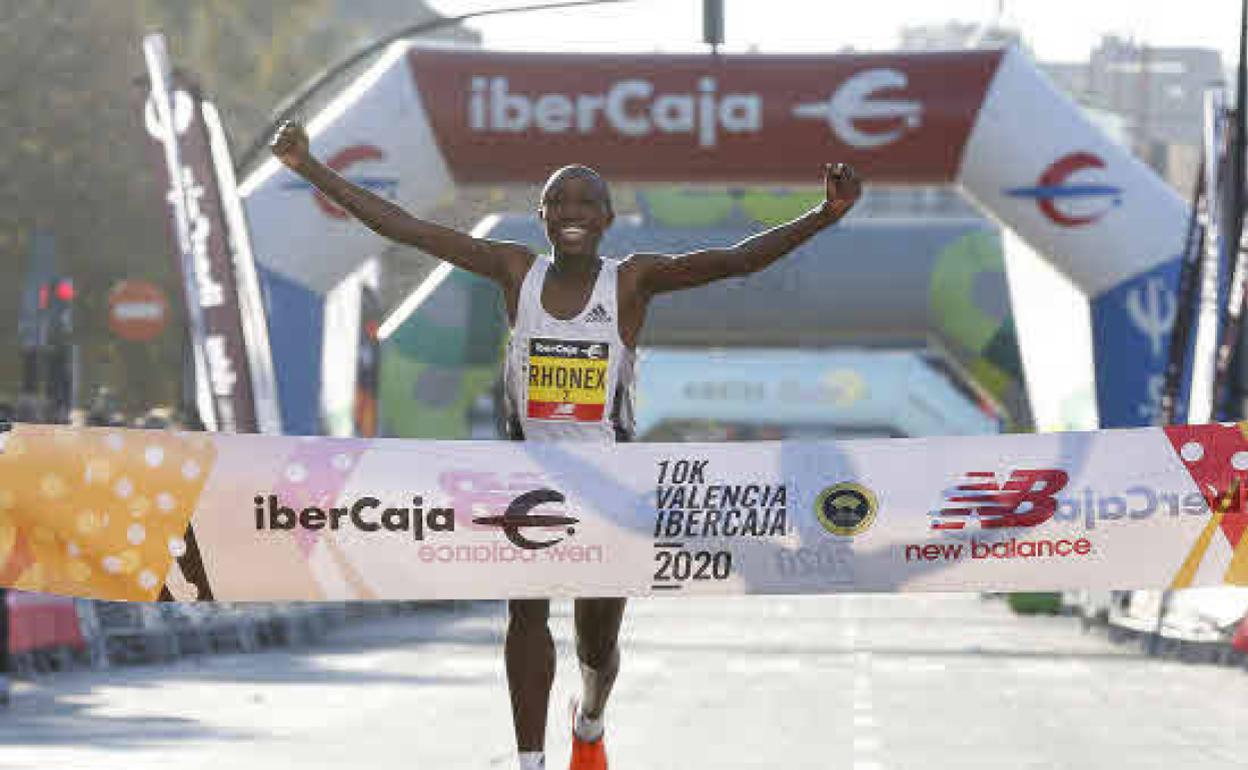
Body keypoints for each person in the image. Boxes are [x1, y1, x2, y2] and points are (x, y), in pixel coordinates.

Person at [270, 120, 862, 770]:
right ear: (543, 216)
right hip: (527, 471)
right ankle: (531, 760)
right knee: (526, 614)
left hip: (609, 480)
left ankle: (591, 716)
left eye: (587, 203)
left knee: (597, 644)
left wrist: (824, 215)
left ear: (607, 219)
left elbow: (737, 261)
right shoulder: (512, 268)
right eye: (561, 202)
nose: (573, 213)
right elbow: (407, 228)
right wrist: (309, 167)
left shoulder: (632, 282)